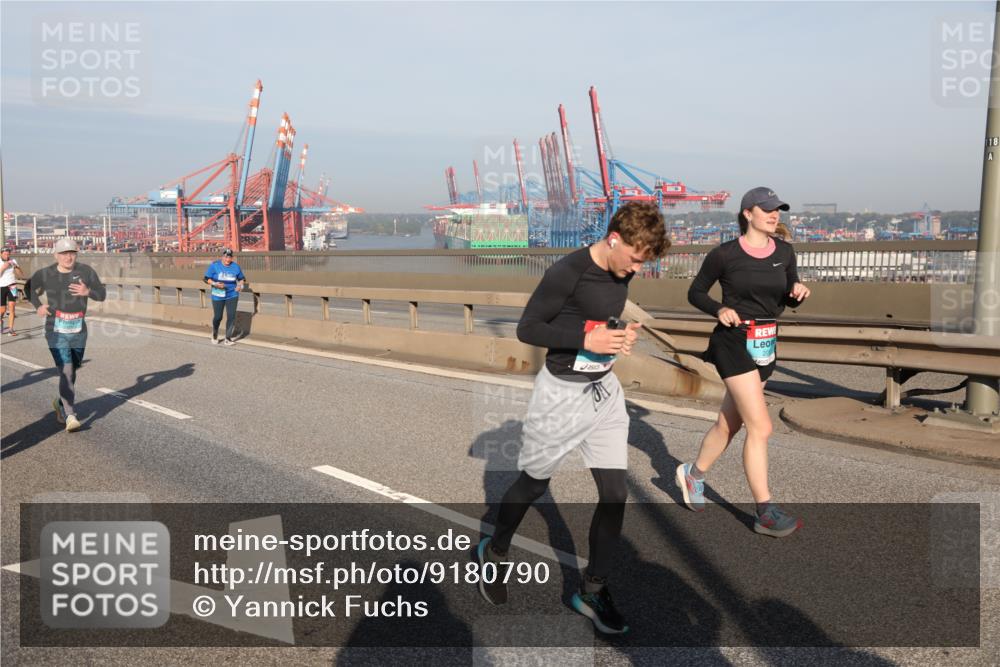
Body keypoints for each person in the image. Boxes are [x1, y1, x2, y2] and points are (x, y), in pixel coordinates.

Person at [475, 201, 670, 635]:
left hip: (604, 392)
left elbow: (601, 319)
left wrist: (620, 336)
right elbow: (529, 328)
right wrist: (588, 336)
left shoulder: (623, 269)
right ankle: (495, 548)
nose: (637, 269)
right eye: (636, 259)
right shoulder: (567, 271)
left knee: (615, 492)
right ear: (614, 239)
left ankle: (593, 589)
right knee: (534, 484)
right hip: (561, 395)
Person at [678, 187, 811, 537]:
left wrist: (796, 293)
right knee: (761, 427)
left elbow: (784, 294)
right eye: (767, 209)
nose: (774, 215)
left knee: (729, 424)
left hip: (766, 343)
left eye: (778, 209)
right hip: (733, 341)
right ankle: (765, 512)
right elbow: (695, 292)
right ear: (747, 214)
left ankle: (692, 474)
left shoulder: (784, 252)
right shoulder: (725, 254)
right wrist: (719, 309)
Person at [27, 238, 107, 432]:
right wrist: (38, 306)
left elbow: (102, 293)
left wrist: (88, 291)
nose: (68, 257)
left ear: (76, 254)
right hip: (55, 330)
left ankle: (61, 404)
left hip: (79, 330)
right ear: (56, 256)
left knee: (73, 370)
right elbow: (28, 287)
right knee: (67, 370)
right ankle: (71, 415)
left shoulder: (86, 272)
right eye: (63, 253)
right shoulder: (46, 274)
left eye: (71, 253)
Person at [203, 248, 245, 345]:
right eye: (226, 257)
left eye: (229, 257)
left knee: (231, 316)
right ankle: (214, 333)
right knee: (218, 317)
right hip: (218, 295)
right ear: (222, 257)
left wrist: (240, 285)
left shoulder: (236, 267)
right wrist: (214, 283)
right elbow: (205, 279)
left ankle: (228, 338)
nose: (227, 259)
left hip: (232, 294)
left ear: (232, 258)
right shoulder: (215, 266)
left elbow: (242, 278)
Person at [0, 247, 25, 336]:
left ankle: (11, 329)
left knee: (12, 307)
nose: (7, 255)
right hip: (1, 287)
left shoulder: (13, 261)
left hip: (12, 286)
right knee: (2, 310)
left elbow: (21, 274)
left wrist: (16, 267)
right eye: (5, 254)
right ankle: (1, 322)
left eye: (8, 254)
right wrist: (3, 267)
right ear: (1, 253)